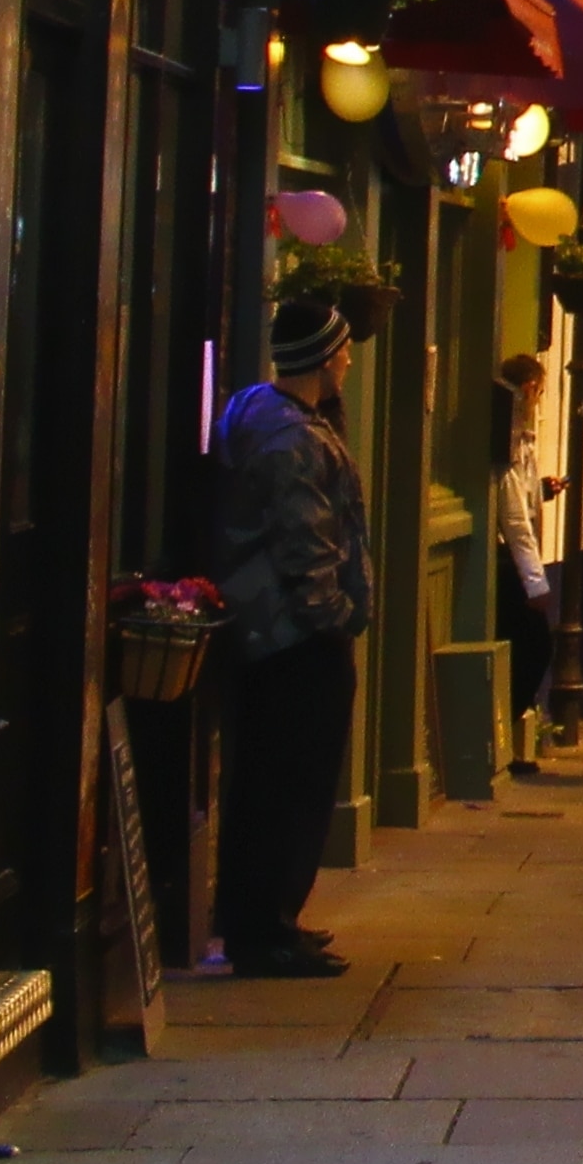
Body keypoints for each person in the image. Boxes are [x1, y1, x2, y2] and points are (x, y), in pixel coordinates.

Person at [209, 295, 371, 976]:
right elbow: (305, 542)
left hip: (269, 631)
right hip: (291, 637)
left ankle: (272, 920)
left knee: (270, 784)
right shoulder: (293, 438)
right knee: (291, 787)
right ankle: (265, 932)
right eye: (344, 351)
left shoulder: (265, 412)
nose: (350, 361)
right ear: (324, 359)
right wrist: (333, 615)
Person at [484, 352, 557, 778]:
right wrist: (535, 582)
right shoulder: (508, 438)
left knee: (524, 649)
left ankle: (506, 744)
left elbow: (523, 500)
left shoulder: (521, 437)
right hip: (508, 561)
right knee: (534, 647)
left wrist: (543, 490)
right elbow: (514, 519)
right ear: (529, 389)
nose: (539, 401)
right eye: (539, 392)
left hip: (515, 559)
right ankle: (499, 742)